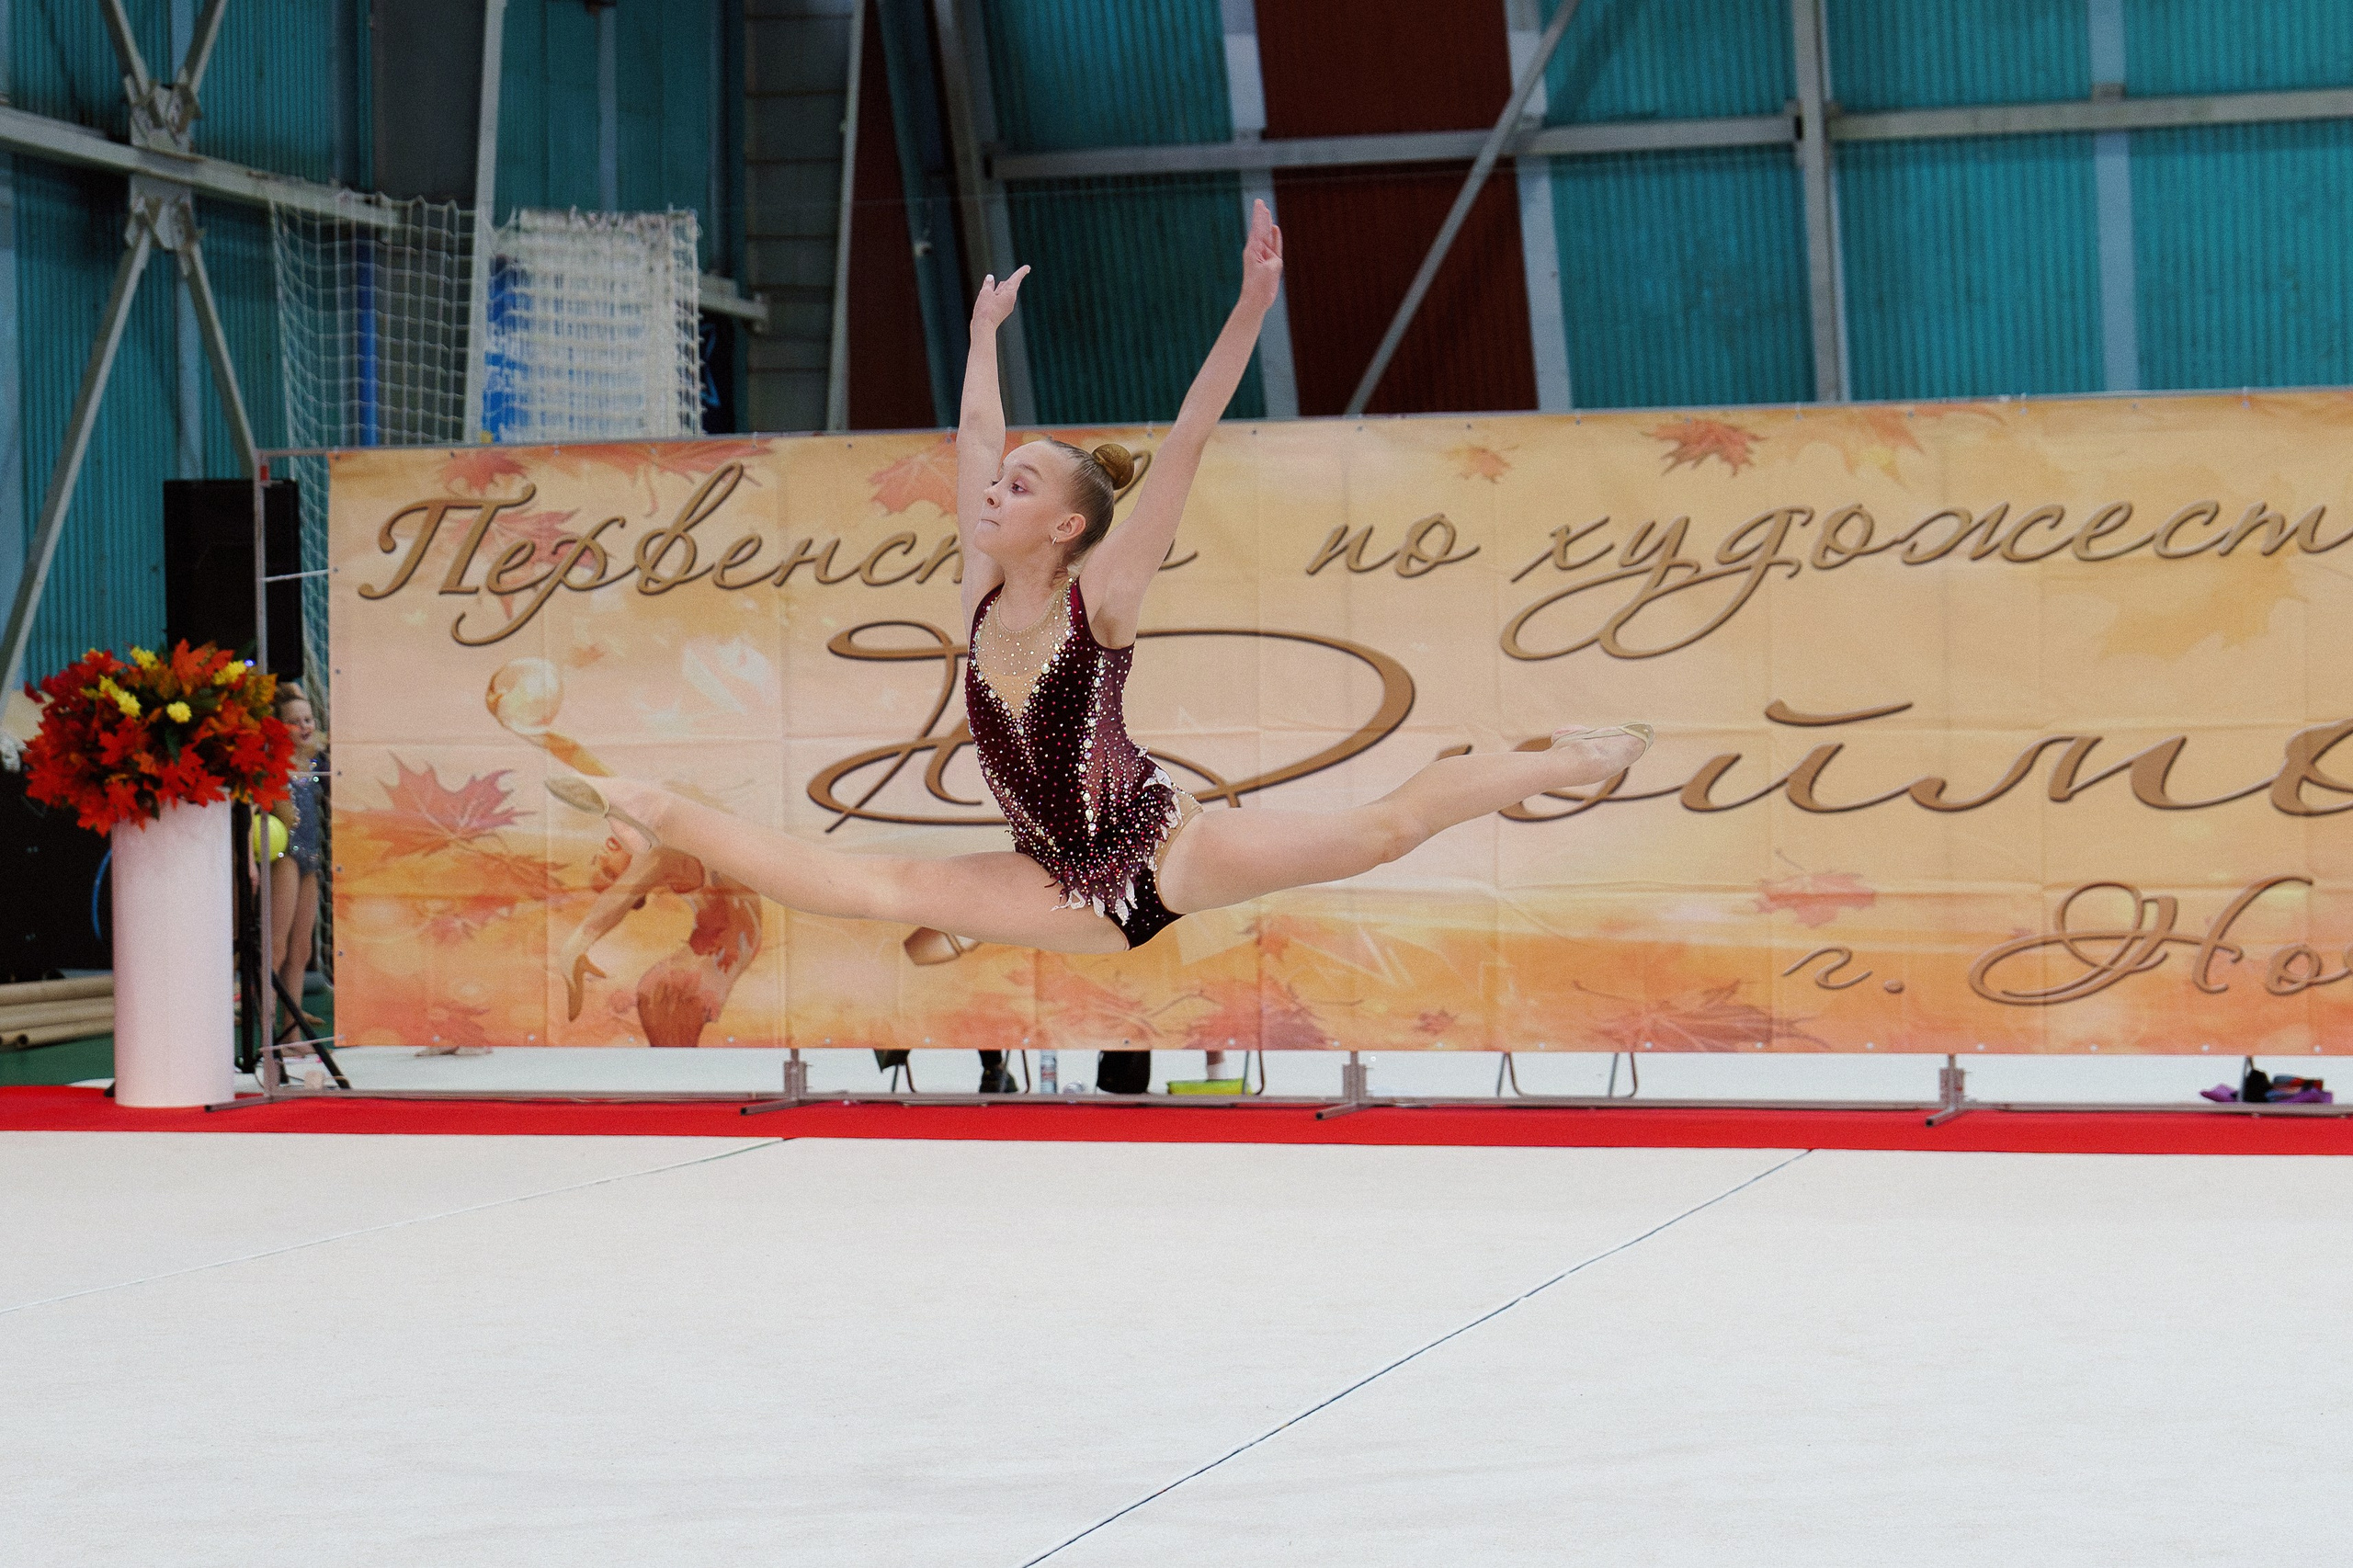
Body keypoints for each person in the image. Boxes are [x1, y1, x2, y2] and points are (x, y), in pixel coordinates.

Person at [546, 202, 1648, 994]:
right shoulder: (984, 589)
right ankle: (659, 805)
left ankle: (1568, 757)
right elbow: (976, 438)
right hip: (1053, 879)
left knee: (1383, 828)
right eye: (999, 479)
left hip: (1161, 851)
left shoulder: (1100, 598)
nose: (994, 488)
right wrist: (980, 341)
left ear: (1067, 525)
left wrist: (1253, 305)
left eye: (1020, 484)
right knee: (876, 887)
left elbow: (1187, 441)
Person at [271, 683, 328, 1043]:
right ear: (279, 728)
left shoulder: (314, 759)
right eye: (294, 722)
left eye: (308, 719)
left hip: (311, 853)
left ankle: (292, 1033)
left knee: (302, 948)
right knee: (277, 945)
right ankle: (267, 1026)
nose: (305, 726)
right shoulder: (272, 764)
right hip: (284, 855)